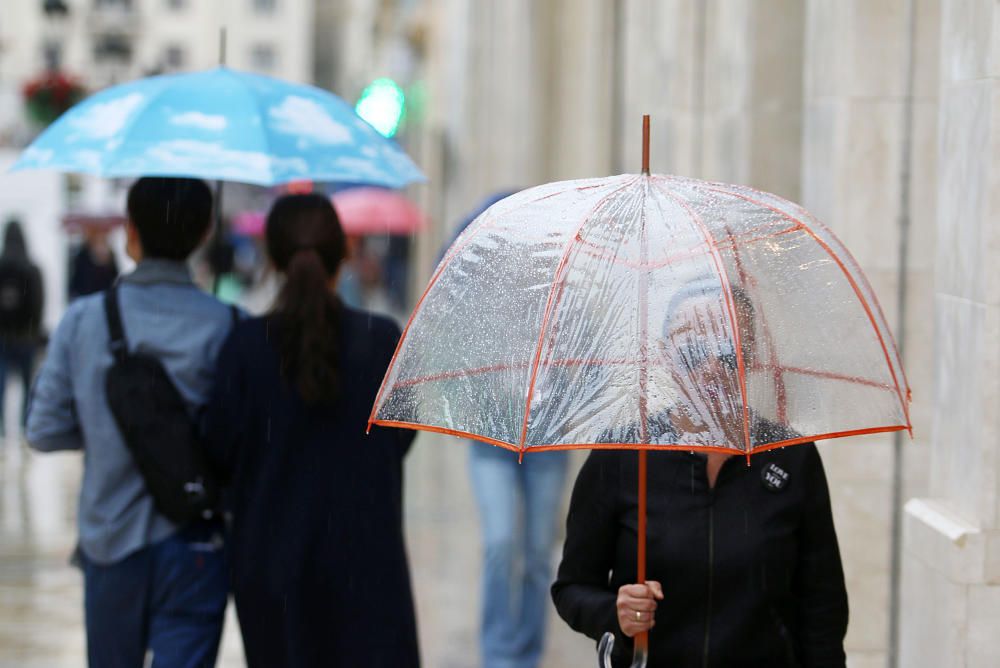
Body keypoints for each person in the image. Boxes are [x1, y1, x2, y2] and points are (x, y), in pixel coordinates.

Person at [551, 278, 849, 667]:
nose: (710, 367)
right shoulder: (624, 453)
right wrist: (614, 612)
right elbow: (572, 588)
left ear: (752, 355)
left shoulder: (791, 458)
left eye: (727, 350)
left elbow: (822, 602)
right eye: (693, 350)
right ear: (667, 356)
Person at [202, 193, 420, 667]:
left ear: (272, 257)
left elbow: (218, 452)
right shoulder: (383, 340)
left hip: (271, 575)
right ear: (343, 254)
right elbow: (401, 436)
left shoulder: (242, 348)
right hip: (367, 569)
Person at [27, 178, 232, 667]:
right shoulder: (229, 325)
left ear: (130, 234)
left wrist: (105, 429)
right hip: (196, 542)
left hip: (109, 543)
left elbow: (42, 430)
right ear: (205, 232)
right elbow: (237, 438)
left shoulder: (82, 321)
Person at [0, 219, 44, 436]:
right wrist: (33, 331)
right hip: (26, 337)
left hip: (3, 338)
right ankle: (25, 430)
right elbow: (38, 303)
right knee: (28, 390)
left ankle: (2, 433)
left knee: (1, 389)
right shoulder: (32, 269)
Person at [68, 226, 119, 300]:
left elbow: (114, 277)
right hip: (86, 297)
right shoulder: (82, 255)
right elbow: (78, 280)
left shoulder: (110, 254)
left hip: (104, 298)